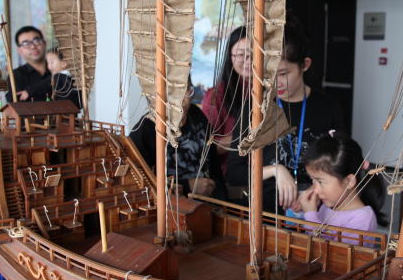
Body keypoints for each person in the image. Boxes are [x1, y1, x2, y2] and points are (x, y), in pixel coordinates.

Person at [224, 19, 345, 213]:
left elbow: (341, 166)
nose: (275, 83)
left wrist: (318, 187)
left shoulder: (328, 108)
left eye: (282, 73)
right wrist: (275, 170)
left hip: (317, 207)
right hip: (265, 210)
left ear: (304, 65)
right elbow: (233, 173)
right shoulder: (253, 108)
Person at [129, 77, 226, 200]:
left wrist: (224, 200)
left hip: (210, 202)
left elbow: (214, 164)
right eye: (171, 91)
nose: (180, 99)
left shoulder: (196, 115)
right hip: (171, 207)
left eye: (185, 89)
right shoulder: (143, 133)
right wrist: (187, 186)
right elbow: (140, 185)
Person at [297, 132, 383, 245]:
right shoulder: (328, 205)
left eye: (321, 182)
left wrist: (310, 215)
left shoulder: (362, 220)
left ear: (349, 181)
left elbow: (327, 252)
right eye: (313, 180)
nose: (316, 190)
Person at [203, 26, 251, 172]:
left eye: (255, 54)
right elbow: (207, 148)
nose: (249, 61)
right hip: (231, 177)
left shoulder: (275, 90)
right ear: (230, 57)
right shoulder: (216, 96)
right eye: (241, 55)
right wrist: (246, 136)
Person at [7, 26, 81, 108]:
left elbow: (79, 99)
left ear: (44, 43)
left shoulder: (62, 69)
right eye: (26, 44)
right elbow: (15, 107)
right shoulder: (15, 76)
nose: (33, 46)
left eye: (36, 41)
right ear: (19, 50)